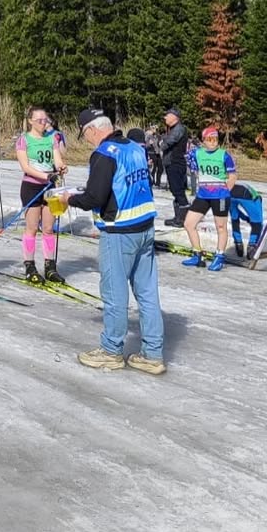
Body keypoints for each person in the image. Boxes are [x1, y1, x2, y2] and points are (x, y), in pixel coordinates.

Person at [58, 108, 165, 375]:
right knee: (147, 293)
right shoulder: (135, 147)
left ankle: (111, 351)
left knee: (115, 293)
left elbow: (94, 197)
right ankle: (153, 353)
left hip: (119, 231)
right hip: (145, 226)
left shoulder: (104, 154)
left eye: (85, 136)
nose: (88, 141)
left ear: (92, 129)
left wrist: (68, 199)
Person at [15, 106, 68, 284]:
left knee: (48, 228)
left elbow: (57, 159)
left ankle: (50, 266)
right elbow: (26, 167)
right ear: (30, 121)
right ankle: (30, 266)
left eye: (45, 120)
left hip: (50, 187)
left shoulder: (52, 137)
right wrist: (46, 175)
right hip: (32, 186)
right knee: (31, 228)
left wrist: (61, 167)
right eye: (39, 120)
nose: (43, 123)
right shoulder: (24, 140)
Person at [182, 127, 236, 271]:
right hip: (203, 195)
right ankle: (197, 254)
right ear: (203, 140)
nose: (213, 142)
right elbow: (188, 161)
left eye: (215, 139)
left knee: (221, 227)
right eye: (209, 139)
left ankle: (219, 256)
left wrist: (225, 191)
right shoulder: (197, 153)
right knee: (189, 223)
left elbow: (232, 176)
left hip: (220, 196)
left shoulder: (224, 155)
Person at [158, 108, 190, 226]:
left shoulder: (179, 129)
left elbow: (167, 143)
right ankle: (178, 217)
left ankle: (183, 219)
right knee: (175, 190)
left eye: (167, 115)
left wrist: (162, 142)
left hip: (175, 163)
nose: (165, 118)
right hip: (171, 163)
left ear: (174, 117)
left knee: (178, 191)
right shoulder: (172, 129)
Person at [230, 182, 264, 259]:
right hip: (246, 194)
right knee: (257, 223)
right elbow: (257, 220)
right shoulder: (257, 199)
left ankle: (238, 244)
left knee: (234, 218)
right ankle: (252, 246)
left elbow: (238, 213)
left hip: (230, 193)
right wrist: (249, 220)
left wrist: (246, 218)